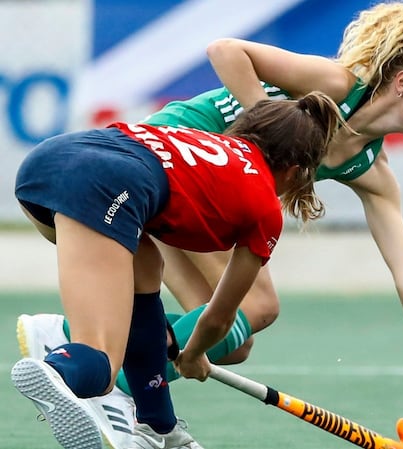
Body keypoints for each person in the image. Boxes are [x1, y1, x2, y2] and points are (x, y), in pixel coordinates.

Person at [18, 2, 403, 446]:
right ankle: (113, 383)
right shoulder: (337, 84)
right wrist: (272, 131)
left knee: (230, 338)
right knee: (256, 305)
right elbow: (226, 51)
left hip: (181, 196)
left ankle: (104, 368)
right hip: (170, 163)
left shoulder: (374, 172)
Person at [11, 92, 347, 449]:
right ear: (295, 171)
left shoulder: (206, 141)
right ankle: (58, 366)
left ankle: (159, 427)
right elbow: (220, 318)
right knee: (103, 367)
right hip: (105, 188)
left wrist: (168, 345)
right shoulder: (264, 205)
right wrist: (191, 355)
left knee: (146, 266)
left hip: (48, 163)